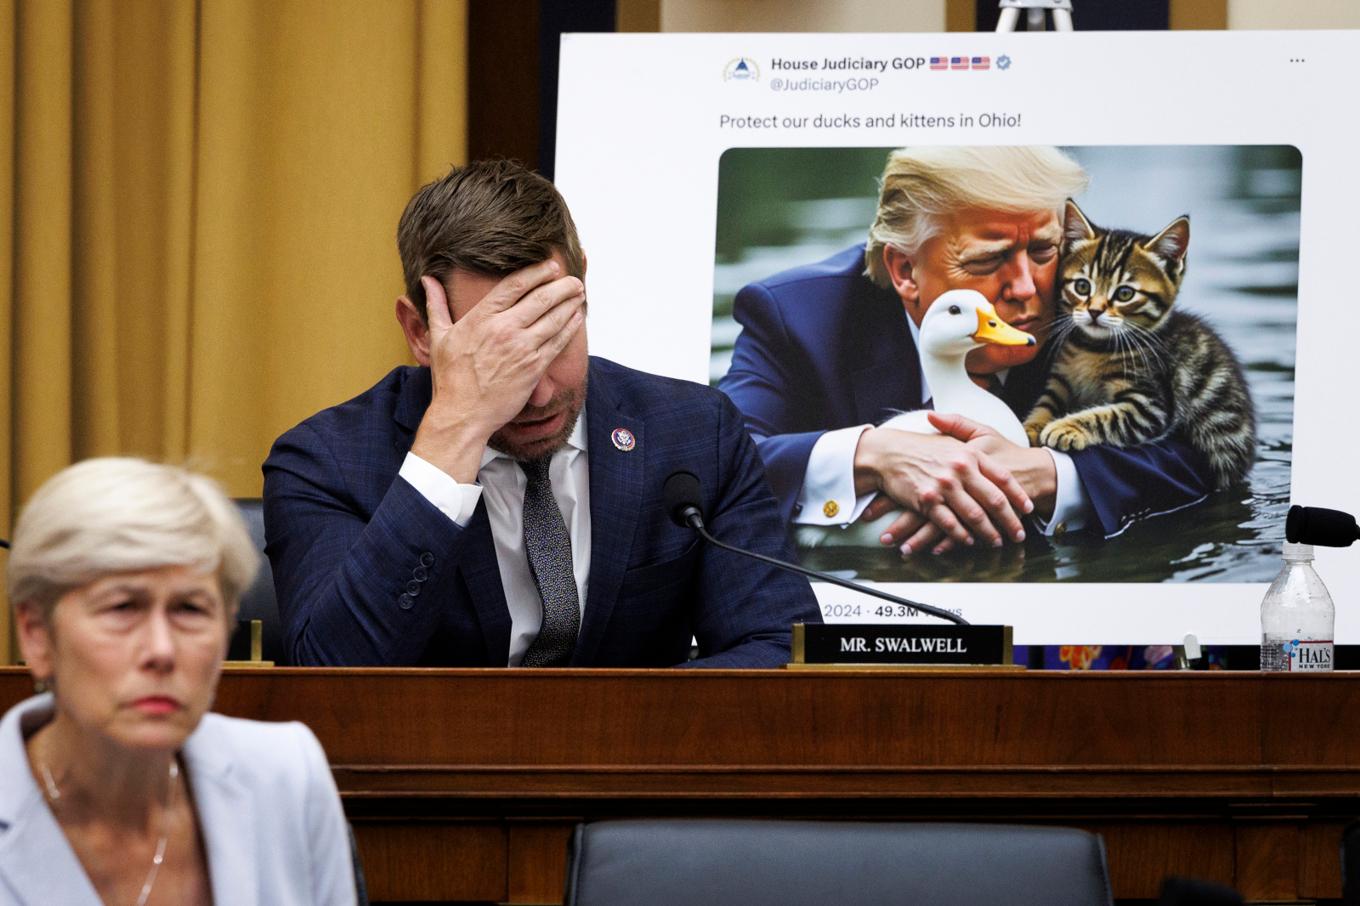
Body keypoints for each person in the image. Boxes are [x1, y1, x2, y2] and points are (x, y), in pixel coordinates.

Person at [263, 159, 819, 667]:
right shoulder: (324, 463)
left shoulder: (698, 435)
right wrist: (455, 431)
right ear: (419, 332)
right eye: (499, 353)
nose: (538, 393)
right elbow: (331, 676)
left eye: (552, 336)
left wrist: (606, 736)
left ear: (582, 296)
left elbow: (776, 648)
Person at [719, 146, 1214, 555]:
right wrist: (873, 456)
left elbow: (1198, 453)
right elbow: (720, 461)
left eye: (1043, 252)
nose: (1027, 288)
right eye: (989, 258)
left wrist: (1053, 475)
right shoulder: (795, 317)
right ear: (905, 272)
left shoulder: (1087, 306)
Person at [0, 458, 356, 906]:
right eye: (122, 608)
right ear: (36, 634)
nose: (162, 650)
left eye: (190, 609)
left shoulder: (286, 777)